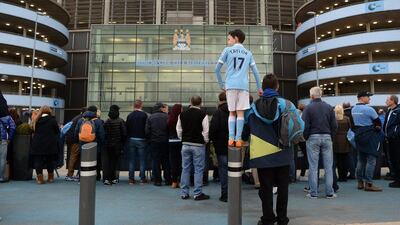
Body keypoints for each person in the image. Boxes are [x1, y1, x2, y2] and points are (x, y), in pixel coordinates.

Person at [244, 74, 302, 225]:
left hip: (262, 155)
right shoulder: (287, 104)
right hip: (283, 151)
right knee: (283, 188)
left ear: (262, 88)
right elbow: (300, 126)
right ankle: (282, 219)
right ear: (277, 87)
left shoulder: (252, 108)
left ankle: (268, 219)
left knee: (266, 188)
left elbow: (245, 131)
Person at [215, 29, 262, 148]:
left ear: (236, 38)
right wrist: (259, 87)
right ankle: (239, 139)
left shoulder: (227, 50)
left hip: (230, 85)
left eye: (229, 39)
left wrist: (222, 84)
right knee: (240, 113)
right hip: (243, 87)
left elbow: (217, 69)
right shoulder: (248, 53)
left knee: (232, 112)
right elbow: (256, 72)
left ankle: (231, 139)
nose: (228, 41)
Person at [302, 87, 338, 199]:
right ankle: (330, 192)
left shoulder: (308, 108)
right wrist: (331, 136)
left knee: (313, 167)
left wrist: (306, 137)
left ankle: (313, 193)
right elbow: (335, 125)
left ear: (311, 96)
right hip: (327, 137)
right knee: (328, 166)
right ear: (321, 94)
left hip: (313, 137)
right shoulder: (329, 107)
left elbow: (305, 126)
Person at [177, 96, 210, 201]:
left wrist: (183, 138)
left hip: (185, 144)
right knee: (198, 169)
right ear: (201, 103)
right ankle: (197, 193)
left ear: (190, 102)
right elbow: (206, 131)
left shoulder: (182, 114)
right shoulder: (203, 115)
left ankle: (184, 193)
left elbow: (179, 130)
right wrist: (205, 141)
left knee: (185, 168)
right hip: (198, 145)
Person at [351, 91, 382, 192]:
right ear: (362, 98)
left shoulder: (353, 109)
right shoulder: (369, 109)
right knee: (371, 160)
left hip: (359, 135)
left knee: (361, 160)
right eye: (368, 97)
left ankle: (360, 182)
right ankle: (368, 184)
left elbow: (353, 125)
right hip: (369, 136)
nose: (369, 99)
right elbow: (378, 123)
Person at [30, 106, 60, 184]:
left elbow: (33, 130)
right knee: (50, 160)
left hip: (37, 143)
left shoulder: (36, 120)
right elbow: (57, 131)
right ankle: (50, 178)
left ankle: (40, 179)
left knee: (38, 160)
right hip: (50, 144)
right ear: (49, 111)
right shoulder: (52, 120)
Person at [74, 106, 105, 178]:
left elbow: (76, 132)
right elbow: (101, 134)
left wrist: (77, 141)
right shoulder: (98, 121)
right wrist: (101, 143)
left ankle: (80, 175)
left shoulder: (81, 120)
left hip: (82, 143)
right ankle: (96, 176)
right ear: (95, 112)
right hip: (94, 144)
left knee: (83, 160)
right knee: (95, 160)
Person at [209, 92, 229, 202]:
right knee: (235, 170)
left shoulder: (218, 112)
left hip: (221, 146)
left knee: (223, 169)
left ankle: (225, 194)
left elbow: (213, 129)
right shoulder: (235, 111)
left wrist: (213, 140)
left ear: (219, 100)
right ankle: (235, 192)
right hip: (234, 145)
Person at [146, 103, 171, 186]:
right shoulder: (167, 117)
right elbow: (170, 129)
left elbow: (147, 131)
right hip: (165, 142)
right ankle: (167, 180)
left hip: (154, 142)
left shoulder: (150, 117)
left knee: (156, 161)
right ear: (161, 108)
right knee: (166, 161)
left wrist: (150, 140)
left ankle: (157, 180)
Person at [126, 100, 148, 185]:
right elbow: (146, 128)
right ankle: (142, 179)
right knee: (142, 160)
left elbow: (127, 127)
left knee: (132, 160)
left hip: (131, 139)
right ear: (141, 105)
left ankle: (131, 179)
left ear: (134, 106)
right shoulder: (144, 115)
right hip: (142, 139)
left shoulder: (130, 115)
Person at [103, 105, 126, 185]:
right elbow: (124, 134)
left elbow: (104, 134)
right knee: (115, 162)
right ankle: (113, 178)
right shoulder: (121, 121)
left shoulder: (106, 121)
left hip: (108, 145)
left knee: (109, 162)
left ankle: (107, 178)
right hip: (117, 145)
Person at [65, 107, 87, 181]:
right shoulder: (81, 119)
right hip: (76, 140)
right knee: (74, 157)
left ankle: (71, 174)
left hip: (72, 139)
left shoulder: (76, 118)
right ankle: (70, 175)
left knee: (73, 157)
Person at [383, 95, 400, 188]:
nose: (386, 101)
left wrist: (394, 134)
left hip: (396, 139)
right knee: (393, 160)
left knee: (397, 159)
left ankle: (398, 181)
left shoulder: (398, 111)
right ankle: (396, 178)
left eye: (387, 100)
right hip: (389, 139)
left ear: (393, 101)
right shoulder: (389, 110)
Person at [333, 105, 352, 182]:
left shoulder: (334, 120)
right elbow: (350, 128)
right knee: (346, 158)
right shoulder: (347, 118)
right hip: (345, 139)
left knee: (338, 159)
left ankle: (340, 176)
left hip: (336, 140)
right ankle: (345, 176)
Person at [0, 91, 16, 183]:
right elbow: (13, 127)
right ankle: (1, 177)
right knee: (2, 158)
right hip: (2, 139)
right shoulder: (6, 116)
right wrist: (9, 138)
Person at [168, 104, 183, 188]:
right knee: (181, 162)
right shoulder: (182, 118)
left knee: (173, 162)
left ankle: (174, 181)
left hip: (171, 142)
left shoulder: (170, 119)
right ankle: (181, 181)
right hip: (180, 141)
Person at [343, 102, 356, 180]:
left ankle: (348, 172)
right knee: (352, 156)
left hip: (345, 137)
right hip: (353, 135)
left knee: (348, 156)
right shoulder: (353, 113)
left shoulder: (343, 115)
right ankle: (353, 172)